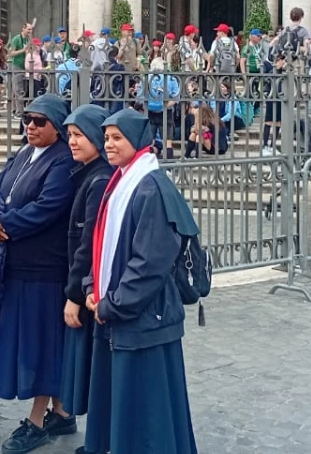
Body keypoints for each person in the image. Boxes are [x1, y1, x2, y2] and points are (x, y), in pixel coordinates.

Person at [83, 109, 199, 454]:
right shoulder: (122, 180)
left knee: (149, 413)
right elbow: (101, 241)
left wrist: (113, 304)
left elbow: (150, 261)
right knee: (130, 404)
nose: (109, 144)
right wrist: (93, 286)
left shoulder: (151, 187)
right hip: (122, 312)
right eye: (106, 138)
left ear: (137, 141)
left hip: (144, 318)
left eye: (117, 138)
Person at [0, 95, 78, 453]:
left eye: (40, 121)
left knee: (40, 347)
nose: (31, 127)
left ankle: (36, 421)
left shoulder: (63, 160)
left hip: (44, 269)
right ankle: (62, 410)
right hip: (17, 265)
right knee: (39, 343)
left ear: (57, 126)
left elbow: (47, 207)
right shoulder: (23, 154)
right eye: (27, 119)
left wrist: (1, 223)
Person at [58, 105, 113, 438]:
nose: (72, 142)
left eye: (79, 135)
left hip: (89, 291)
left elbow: (87, 242)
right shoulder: (89, 174)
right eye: (70, 136)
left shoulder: (99, 179)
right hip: (87, 287)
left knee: (94, 368)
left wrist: (74, 294)